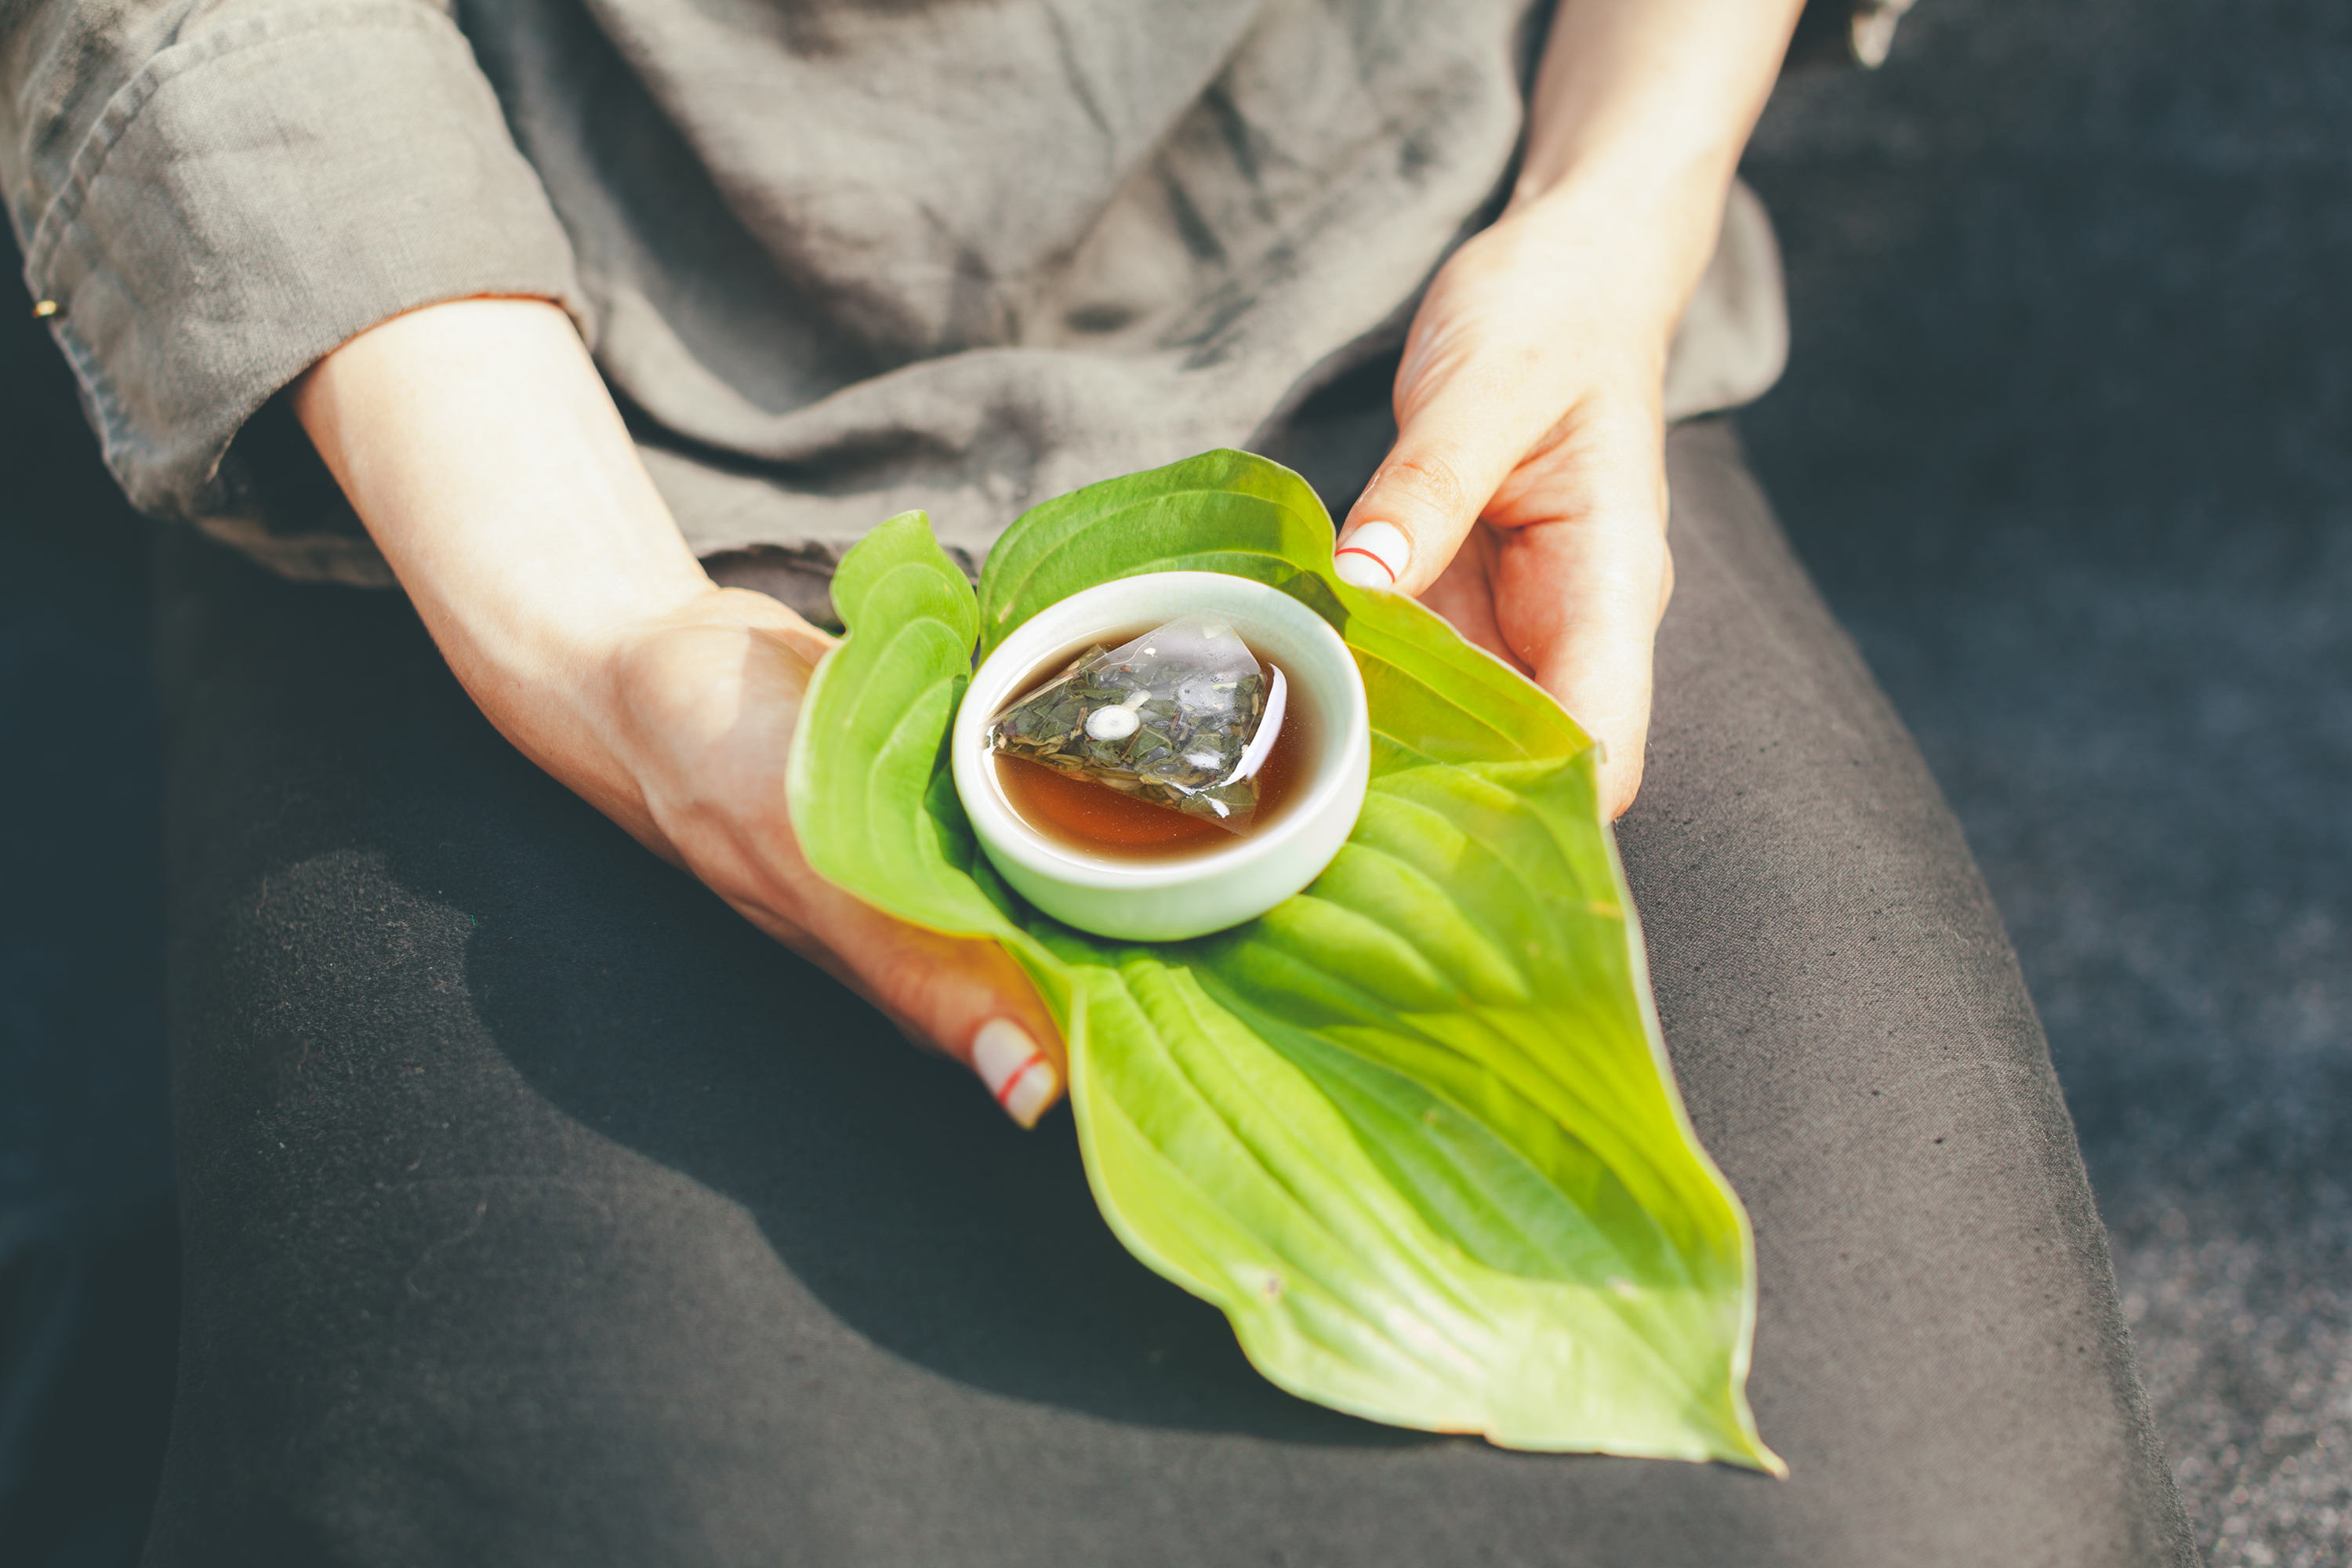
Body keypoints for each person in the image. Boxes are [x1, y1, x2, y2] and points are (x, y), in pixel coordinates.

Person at [5, 0, 2196, 1560]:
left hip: (1405, 314)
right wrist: (608, 644)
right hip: (507, 372)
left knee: (1918, 1496)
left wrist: (1610, 223)